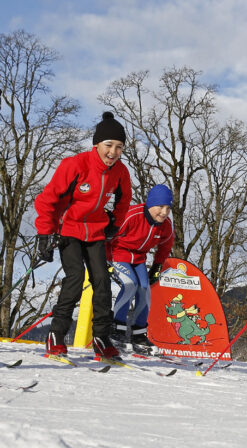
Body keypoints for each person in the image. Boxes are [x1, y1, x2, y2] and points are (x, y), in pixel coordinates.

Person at [35, 111, 132, 359]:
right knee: (76, 278)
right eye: (108, 145)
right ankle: (56, 335)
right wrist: (45, 234)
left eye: (119, 147)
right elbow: (47, 200)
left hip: (96, 231)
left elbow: (124, 201)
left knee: (102, 282)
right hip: (69, 229)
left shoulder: (120, 172)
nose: (113, 152)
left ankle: (100, 338)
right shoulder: (75, 165)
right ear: (96, 144)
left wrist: (115, 224)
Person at [107, 184, 175, 354]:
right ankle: (117, 329)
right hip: (119, 253)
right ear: (150, 204)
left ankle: (138, 335)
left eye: (168, 208)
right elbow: (108, 235)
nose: (164, 212)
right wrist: (103, 260)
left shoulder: (166, 225)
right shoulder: (132, 215)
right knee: (130, 284)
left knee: (144, 289)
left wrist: (157, 266)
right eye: (160, 207)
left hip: (138, 258)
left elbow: (165, 246)